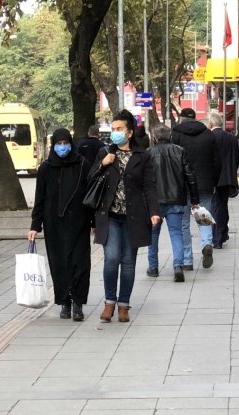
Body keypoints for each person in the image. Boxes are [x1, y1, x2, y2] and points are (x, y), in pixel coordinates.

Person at [88, 109, 159, 323]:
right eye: (113, 129)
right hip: (109, 216)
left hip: (134, 217)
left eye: (119, 129)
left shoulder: (143, 156)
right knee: (111, 259)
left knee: (128, 262)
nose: (115, 133)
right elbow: (89, 179)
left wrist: (154, 212)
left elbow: (150, 186)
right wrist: (103, 163)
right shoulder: (105, 153)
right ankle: (109, 302)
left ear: (129, 133)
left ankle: (123, 305)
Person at [28, 128, 93, 321]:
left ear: (71, 144)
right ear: (53, 145)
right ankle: (64, 301)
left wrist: (95, 222)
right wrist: (34, 225)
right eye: (59, 144)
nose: (62, 147)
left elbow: (91, 194)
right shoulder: (46, 168)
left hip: (79, 222)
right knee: (59, 264)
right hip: (53, 223)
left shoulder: (82, 164)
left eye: (66, 143)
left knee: (80, 263)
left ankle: (78, 303)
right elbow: (40, 198)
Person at [146, 124, 199, 282]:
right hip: (175, 198)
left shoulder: (148, 153)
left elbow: (144, 179)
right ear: (170, 136)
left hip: (154, 201)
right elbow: (190, 175)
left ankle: (153, 267)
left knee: (153, 234)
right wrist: (195, 198)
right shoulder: (179, 151)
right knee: (176, 233)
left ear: (154, 137)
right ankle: (178, 265)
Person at [171, 107, 220, 269]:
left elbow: (173, 162)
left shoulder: (175, 135)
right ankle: (206, 244)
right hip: (205, 183)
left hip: (183, 185)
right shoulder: (208, 135)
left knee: (184, 222)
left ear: (182, 119)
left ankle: (187, 260)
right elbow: (216, 162)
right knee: (203, 216)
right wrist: (214, 181)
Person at [209, 112, 239, 249]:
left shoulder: (209, 137)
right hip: (228, 177)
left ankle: (217, 238)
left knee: (215, 207)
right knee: (223, 205)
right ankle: (224, 232)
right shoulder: (231, 138)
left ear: (210, 124)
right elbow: (236, 159)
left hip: (214, 178)